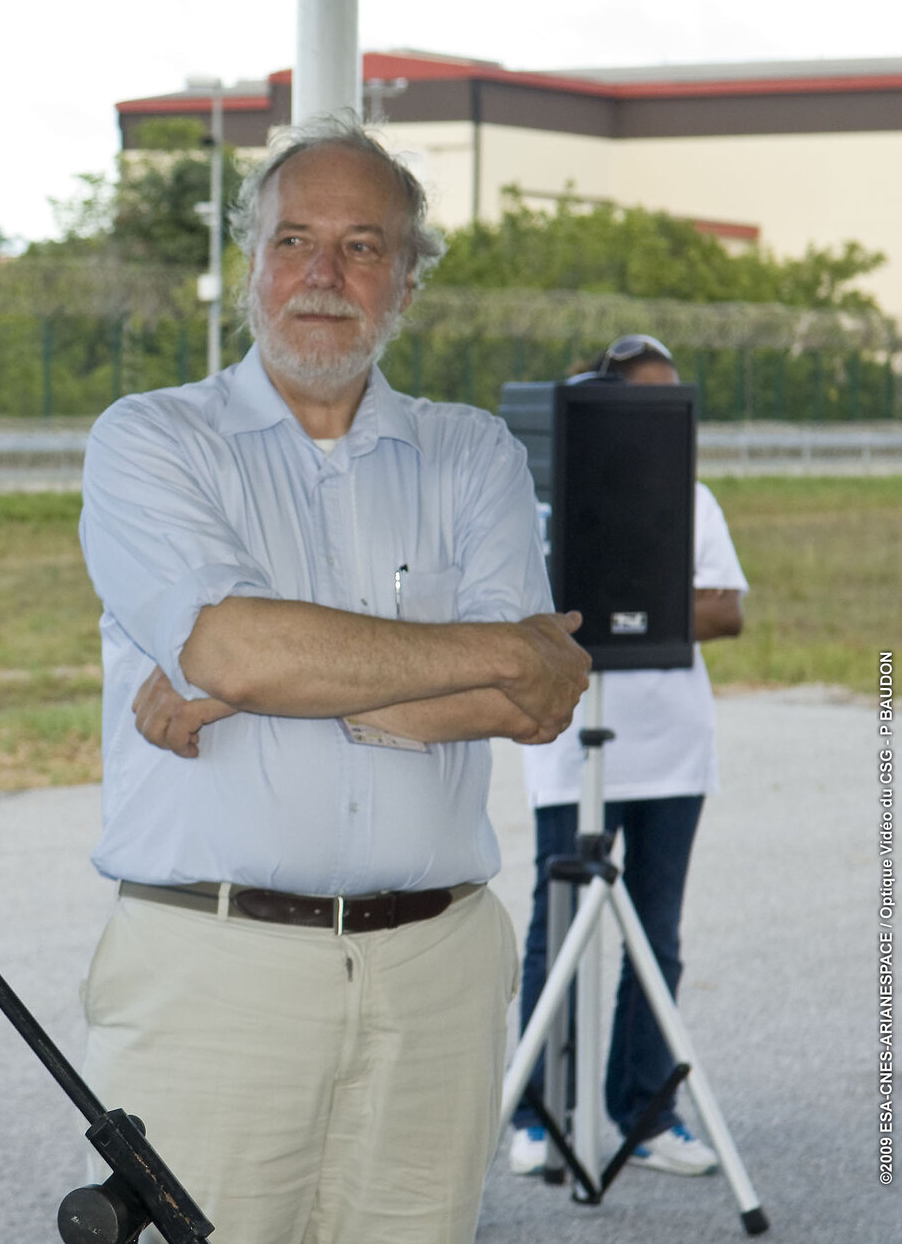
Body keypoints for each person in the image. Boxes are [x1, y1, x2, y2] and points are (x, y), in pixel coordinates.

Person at [76, 114, 592, 1244]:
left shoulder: (474, 454)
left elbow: (540, 699)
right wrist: (490, 647)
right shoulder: (151, 441)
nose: (323, 275)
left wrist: (257, 674)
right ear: (248, 263)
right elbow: (240, 653)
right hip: (216, 974)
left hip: (437, 977)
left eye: (363, 246)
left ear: (407, 283)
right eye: (294, 240)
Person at [507, 334, 748, 1178]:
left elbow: (725, 613)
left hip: (673, 752)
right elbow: (530, 615)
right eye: (646, 400)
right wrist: (641, 599)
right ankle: (539, 1112)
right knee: (557, 928)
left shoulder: (695, 498)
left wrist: (630, 597)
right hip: (571, 749)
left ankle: (646, 1112)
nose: (665, 419)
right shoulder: (545, 502)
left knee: (658, 933)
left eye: (675, 401)